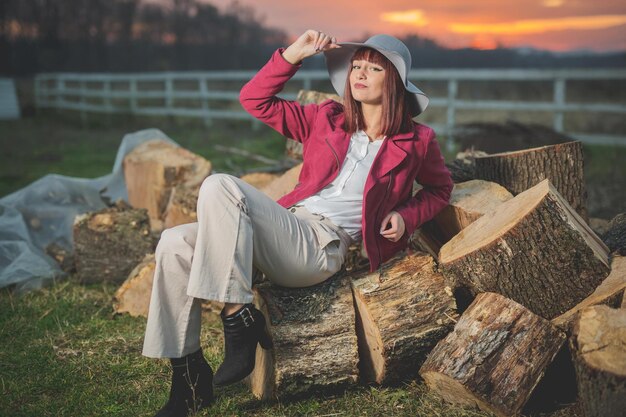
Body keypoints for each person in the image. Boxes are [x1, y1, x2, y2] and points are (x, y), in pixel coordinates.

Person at [142, 29, 453, 417]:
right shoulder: (326, 118)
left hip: (319, 246)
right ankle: (189, 381)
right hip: (286, 227)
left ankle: (236, 317)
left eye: (373, 68)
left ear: (395, 81)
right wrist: (294, 53)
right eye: (356, 65)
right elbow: (254, 99)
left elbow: (440, 189)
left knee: (220, 184)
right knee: (173, 243)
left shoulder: (417, 140)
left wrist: (405, 217)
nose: (359, 73)